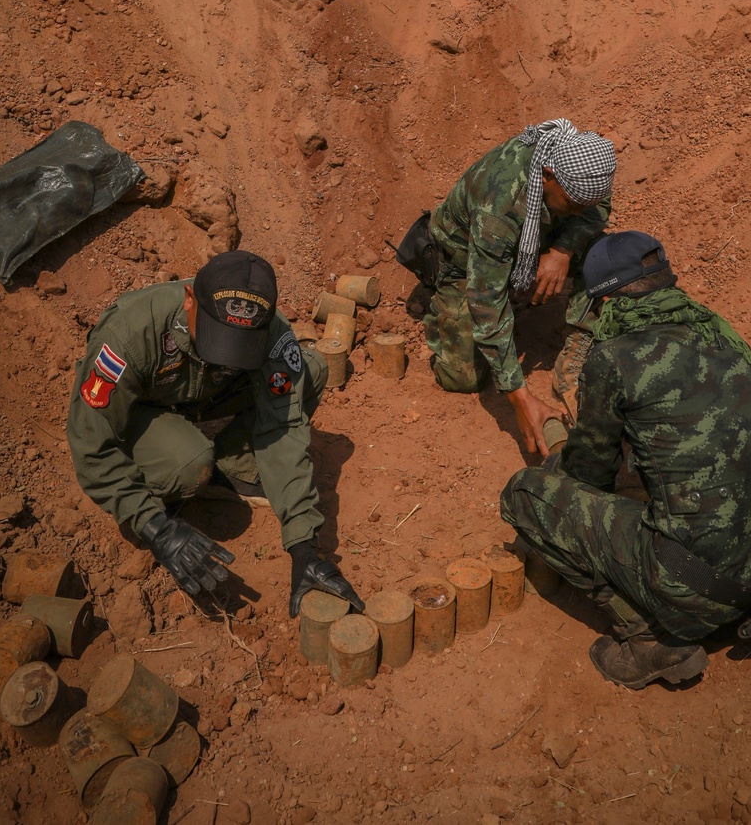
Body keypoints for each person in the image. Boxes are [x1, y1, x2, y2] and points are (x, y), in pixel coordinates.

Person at [501, 231, 751, 691]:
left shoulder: (613, 359)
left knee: (527, 494)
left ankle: (647, 638)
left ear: (607, 301)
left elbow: (588, 474)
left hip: (696, 587)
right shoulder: (720, 333)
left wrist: (557, 463)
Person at [66, 250, 362, 616]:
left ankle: (232, 468)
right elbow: (91, 443)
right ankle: (170, 476)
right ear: (190, 300)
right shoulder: (129, 333)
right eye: (215, 338)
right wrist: (153, 526)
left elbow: (283, 425)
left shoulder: (272, 332)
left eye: (240, 346)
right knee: (188, 463)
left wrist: (304, 546)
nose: (225, 356)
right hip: (146, 405)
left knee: (307, 373)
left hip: (210, 397)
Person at [420, 118, 615, 455]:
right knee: (461, 377)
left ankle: (580, 340)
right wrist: (519, 396)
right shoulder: (501, 203)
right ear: (547, 176)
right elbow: (486, 300)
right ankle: (446, 305)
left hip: (529, 239)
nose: (580, 212)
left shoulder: (580, 162)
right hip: (466, 260)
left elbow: (596, 210)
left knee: (607, 257)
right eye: (572, 205)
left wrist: (562, 250)